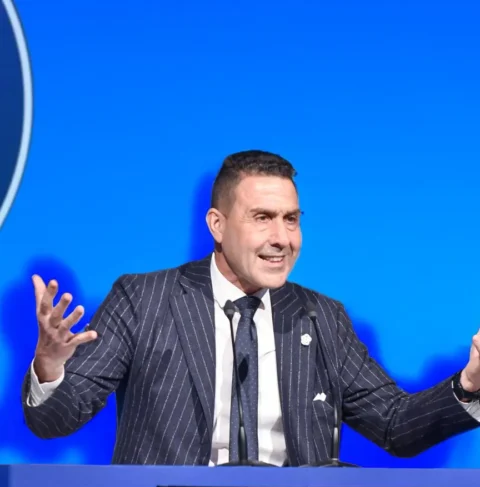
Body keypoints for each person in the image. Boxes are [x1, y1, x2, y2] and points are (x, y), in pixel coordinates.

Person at [22, 150, 480, 466]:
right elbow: (54, 419)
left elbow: (396, 427)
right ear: (217, 225)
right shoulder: (144, 300)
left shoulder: (321, 317)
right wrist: (50, 366)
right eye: (262, 218)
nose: (282, 238)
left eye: (291, 219)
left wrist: (469, 385)